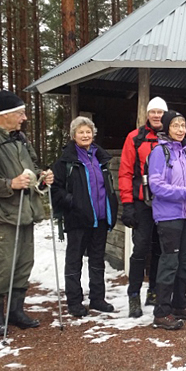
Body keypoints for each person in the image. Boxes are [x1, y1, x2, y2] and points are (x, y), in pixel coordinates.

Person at [0, 90, 54, 336]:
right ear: (4, 115)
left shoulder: (20, 139)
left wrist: (42, 177)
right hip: (1, 214)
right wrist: (9, 185)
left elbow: (34, 166)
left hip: (25, 212)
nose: (24, 118)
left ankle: (16, 311)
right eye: (20, 113)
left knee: (24, 263)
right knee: (4, 265)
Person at [51, 117, 119, 318]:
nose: (85, 135)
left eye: (88, 131)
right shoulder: (66, 161)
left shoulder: (100, 157)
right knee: (74, 261)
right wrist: (74, 202)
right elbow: (56, 190)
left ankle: (98, 299)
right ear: (73, 136)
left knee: (97, 260)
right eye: (81, 132)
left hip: (100, 218)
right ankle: (74, 302)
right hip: (78, 219)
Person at [147, 111, 186, 330]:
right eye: (176, 125)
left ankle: (180, 304)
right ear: (166, 128)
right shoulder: (159, 152)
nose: (181, 129)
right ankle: (161, 313)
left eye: (183, 125)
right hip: (169, 217)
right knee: (170, 263)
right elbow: (156, 186)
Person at [118, 97, 167, 318]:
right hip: (141, 203)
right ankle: (133, 295)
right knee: (140, 249)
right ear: (147, 114)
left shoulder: (171, 136)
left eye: (160, 112)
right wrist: (127, 205)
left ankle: (154, 291)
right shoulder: (135, 138)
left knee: (159, 249)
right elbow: (126, 172)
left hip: (165, 203)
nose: (156, 115)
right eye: (153, 112)